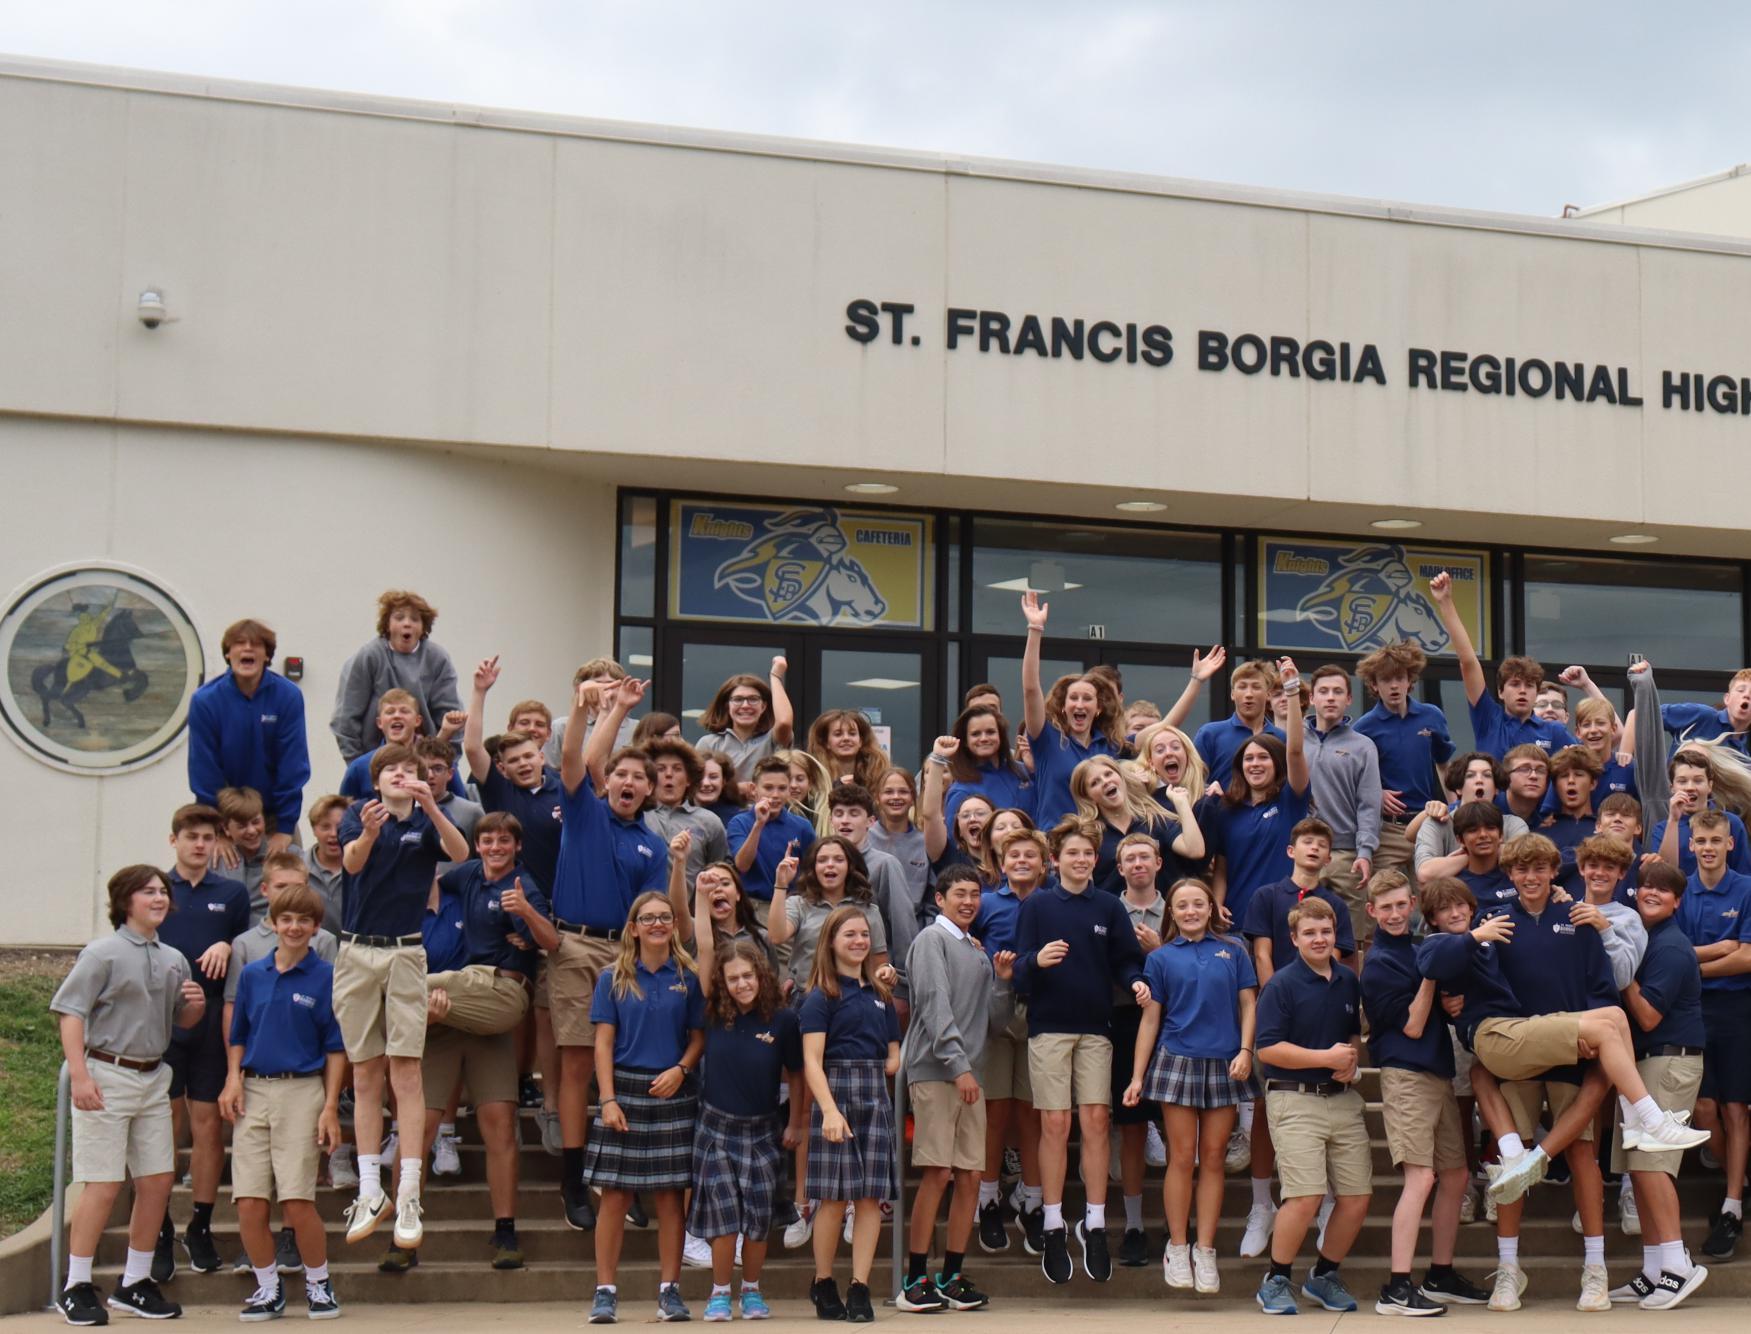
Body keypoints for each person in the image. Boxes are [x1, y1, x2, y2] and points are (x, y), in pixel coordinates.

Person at [1415, 874, 1710, 1311]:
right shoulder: (1487, 928)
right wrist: (1453, 1000)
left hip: (1570, 1048)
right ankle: (1509, 1269)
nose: (1531, 876)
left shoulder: (1576, 918)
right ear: (1511, 875)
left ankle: (1597, 1268)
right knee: (1506, 1142)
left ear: (1554, 871)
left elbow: (1603, 985)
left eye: (1540, 868)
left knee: (1584, 1151)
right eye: (1522, 869)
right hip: (1517, 1045)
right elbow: (1446, 970)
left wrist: (1585, 1030)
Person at [53, 865, 205, 1324]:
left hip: (154, 1076)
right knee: (102, 1184)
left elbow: (181, 1020)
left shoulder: (174, 958)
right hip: (107, 1073)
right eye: (147, 892)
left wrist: (195, 1008)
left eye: (162, 891)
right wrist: (80, 1076)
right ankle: (76, 1285)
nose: (159, 898)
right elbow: (70, 1013)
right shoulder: (101, 953)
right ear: (125, 901)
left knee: (157, 1181)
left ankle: (135, 1282)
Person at [334, 742, 469, 1251]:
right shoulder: (359, 814)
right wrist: (369, 833)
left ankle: (408, 1191)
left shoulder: (428, 821)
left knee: (406, 1072)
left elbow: (461, 853)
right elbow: (351, 864)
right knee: (365, 1072)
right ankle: (371, 1189)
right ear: (376, 780)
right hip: (356, 951)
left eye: (409, 769)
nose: (399, 774)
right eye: (390, 769)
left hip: (406, 954)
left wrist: (431, 805)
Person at [551, 676, 671, 1231]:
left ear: (649, 791)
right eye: (620, 774)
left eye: (639, 778)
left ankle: (623, 1177)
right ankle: (574, 1181)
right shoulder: (585, 810)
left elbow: (651, 911)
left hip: (625, 956)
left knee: (625, 1067)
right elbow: (577, 758)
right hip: (576, 945)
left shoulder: (653, 844)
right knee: (578, 1064)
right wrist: (609, 708)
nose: (628, 782)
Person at [1011, 818, 1149, 1286]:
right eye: (1072, 852)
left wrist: (1136, 980)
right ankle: (1053, 1223)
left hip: (1096, 1029)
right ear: (1055, 860)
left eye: (1088, 853)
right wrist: (1036, 960)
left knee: (1096, 1120)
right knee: (1054, 1123)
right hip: (1048, 1028)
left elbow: (1125, 960)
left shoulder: (1109, 906)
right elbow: (1019, 969)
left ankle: (1094, 1222)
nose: (1082, 859)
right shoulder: (1037, 905)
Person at [1360, 870, 1491, 1315]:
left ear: (1413, 904)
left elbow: (1440, 1006)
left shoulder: (1419, 947)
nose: (1396, 914)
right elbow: (1413, 1025)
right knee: (1421, 1177)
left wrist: (1448, 1003)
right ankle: (1397, 1288)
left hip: (1438, 1072)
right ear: (1371, 911)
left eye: (1402, 904)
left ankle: (1440, 1274)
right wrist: (1432, 981)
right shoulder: (1378, 963)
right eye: (1386, 907)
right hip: (1405, 1075)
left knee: (1455, 1176)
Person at [1123, 876, 1257, 1297]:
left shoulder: (1234, 949)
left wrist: (1246, 1051)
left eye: (1199, 903)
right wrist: (1137, 1076)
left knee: (1214, 1157)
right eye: (1182, 905)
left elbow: (1248, 1003)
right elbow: (1150, 1019)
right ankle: (1177, 1247)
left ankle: (1206, 1249)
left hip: (1225, 1061)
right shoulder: (1161, 958)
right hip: (1177, 1060)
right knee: (1182, 1157)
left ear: (1211, 908)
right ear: (1172, 912)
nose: (1191, 911)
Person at [219, 882, 347, 1321]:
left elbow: (336, 1047)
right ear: (272, 923)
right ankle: (267, 1287)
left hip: (302, 1091)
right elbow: (238, 1035)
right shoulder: (253, 974)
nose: (294, 927)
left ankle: (318, 1283)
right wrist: (233, 1080)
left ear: (316, 927)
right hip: (254, 1090)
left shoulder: (326, 977)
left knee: (296, 1200)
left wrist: (330, 1106)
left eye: (303, 920)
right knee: (250, 1201)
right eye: (286, 919)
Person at [684, 865, 804, 1322]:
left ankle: (751, 1290)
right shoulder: (715, 1010)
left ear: (762, 975)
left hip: (763, 1129)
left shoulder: (783, 1020)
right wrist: (700, 897)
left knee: (756, 1217)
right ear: (723, 982)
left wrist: (795, 1123)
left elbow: (797, 1075)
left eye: (748, 977)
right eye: (733, 979)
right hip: (715, 1127)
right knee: (723, 1217)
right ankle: (719, 1293)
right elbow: (706, 945)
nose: (742, 984)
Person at [897, 866, 1015, 1313]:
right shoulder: (932, 940)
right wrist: (957, 1066)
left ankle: (951, 1276)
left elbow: (993, 1023)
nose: (968, 901)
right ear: (940, 899)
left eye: (974, 894)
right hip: (938, 1072)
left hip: (971, 1076)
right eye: (959, 893)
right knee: (938, 1172)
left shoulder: (976, 951)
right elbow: (933, 1004)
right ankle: (914, 1279)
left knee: (970, 1177)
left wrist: (1002, 980)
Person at [584, 891, 706, 1325]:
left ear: (674, 925)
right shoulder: (612, 977)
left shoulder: (689, 977)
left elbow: (698, 1038)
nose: (657, 924)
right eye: (648, 918)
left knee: (672, 1198)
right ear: (633, 928)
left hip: (673, 1091)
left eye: (665, 917)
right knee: (615, 1197)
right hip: (624, 1092)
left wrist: (681, 1069)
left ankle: (670, 1292)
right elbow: (602, 1043)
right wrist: (608, 1099)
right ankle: (605, 1292)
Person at [1252, 896, 1371, 1316]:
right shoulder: (1281, 985)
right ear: (1294, 938)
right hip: (1294, 1097)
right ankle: (1276, 1279)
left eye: (1325, 931)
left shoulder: (1348, 980)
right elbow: (1267, 1049)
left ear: (1335, 933)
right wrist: (1326, 1058)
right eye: (1309, 933)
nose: (1319, 939)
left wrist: (1350, 1060)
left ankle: (1323, 1275)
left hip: (1341, 1099)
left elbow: (1352, 1034)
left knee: (1357, 1196)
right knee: (1305, 1195)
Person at [155, 803, 251, 1277]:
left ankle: (200, 1225)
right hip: (163, 1020)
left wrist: (228, 944)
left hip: (212, 1018)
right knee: (165, 1124)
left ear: (217, 843)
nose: (199, 844)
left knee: (208, 1124)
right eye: (191, 836)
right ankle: (158, 1228)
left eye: (207, 838)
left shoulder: (232, 893)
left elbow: (250, 945)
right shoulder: (156, 889)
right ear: (174, 840)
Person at [1612, 859, 1711, 1309]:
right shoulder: (1646, 938)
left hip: (1670, 1061)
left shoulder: (1671, 946)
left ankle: (1678, 1266)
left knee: (1653, 1165)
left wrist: (1624, 973)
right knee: (1639, 1168)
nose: (1651, 893)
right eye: (1646, 886)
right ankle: (1654, 1270)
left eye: (1663, 890)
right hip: (1646, 1063)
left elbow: (1649, 1015)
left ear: (1677, 901)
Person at [800, 905, 902, 1323]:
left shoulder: (880, 995)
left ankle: (860, 1286)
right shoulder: (820, 997)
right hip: (836, 1092)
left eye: (864, 934)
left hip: (874, 1095)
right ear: (831, 942)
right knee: (833, 1197)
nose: (859, 941)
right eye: (850, 935)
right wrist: (829, 1110)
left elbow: (893, 1054)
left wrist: (887, 1062)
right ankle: (823, 1281)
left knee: (869, 1197)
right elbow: (811, 1060)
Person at [1675, 808, 1751, 1262]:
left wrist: (1697, 964)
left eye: (1715, 840)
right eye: (1701, 841)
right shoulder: (1681, 890)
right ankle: (1739, 1178)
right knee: (1704, 1108)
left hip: (1738, 1009)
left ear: (1730, 844)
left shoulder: (1747, 888)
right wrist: (1724, 947)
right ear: (1690, 845)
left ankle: (1732, 1206)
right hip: (1692, 1010)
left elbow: (1748, 958)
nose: (1708, 848)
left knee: (1736, 1107)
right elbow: (1674, 953)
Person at [973, 829, 1050, 1258]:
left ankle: (1033, 1201)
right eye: (1014, 855)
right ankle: (987, 1198)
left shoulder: (1053, 902)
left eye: (1030, 855)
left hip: (1042, 1014)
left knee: (1032, 1112)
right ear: (1002, 864)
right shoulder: (987, 903)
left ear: (1044, 864)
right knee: (996, 1110)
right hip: (997, 1011)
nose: (1022, 861)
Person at [187, 618, 308, 859]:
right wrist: (217, 829)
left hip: (275, 819)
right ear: (228, 653)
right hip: (225, 822)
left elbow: (293, 766)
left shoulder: (288, 696)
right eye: (239, 643)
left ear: (267, 655)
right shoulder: (205, 701)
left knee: (291, 877)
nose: (247, 649)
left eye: (256, 644)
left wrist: (285, 829)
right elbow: (204, 771)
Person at [1206, 657, 1310, 933]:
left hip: (1284, 923)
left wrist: (1291, 690)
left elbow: (1295, 751)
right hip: (1237, 923)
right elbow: (1221, 867)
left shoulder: (1290, 800)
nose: (1255, 764)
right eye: (1248, 759)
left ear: (1277, 763)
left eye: (1263, 757)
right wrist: (1216, 904)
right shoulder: (1228, 810)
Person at [1429, 570, 1575, 759]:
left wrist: (1587, 684)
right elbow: (1468, 663)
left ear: (1536, 692)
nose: (1522, 691)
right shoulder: (1489, 719)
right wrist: (1445, 602)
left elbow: (1593, 757)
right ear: (1500, 691)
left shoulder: (1554, 731)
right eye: (1515, 684)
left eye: (1529, 685)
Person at [1107, 835, 1168, 1266]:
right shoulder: (1110, 910)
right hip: (1125, 1019)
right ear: (1120, 867)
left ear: (1159, 862)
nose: (1138, 863)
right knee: (1131, 1127)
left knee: (1177, 1127)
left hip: (1175, 1024)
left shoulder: (1179, 907)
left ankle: (1178, 1223)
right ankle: (1133, 1226)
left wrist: (1159, 951)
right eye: (1130, 858)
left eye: (1145, 856)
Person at [1020, 591, 1122, 828]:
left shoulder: (1110, 745)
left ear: (1098, 708)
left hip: (1099, 843)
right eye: (1073, 698)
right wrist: (1035, 629)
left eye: (1087, 699)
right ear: (1063, 707)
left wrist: (1195, 681)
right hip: (1055, 842)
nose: (1079, 704)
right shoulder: (1048, 740)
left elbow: (1162, 729)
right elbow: (1030, 690)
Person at [1355, 640, 1453, 878]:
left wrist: (1455, 808)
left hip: (1427, 822)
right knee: (1386, 894)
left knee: (1434, 895)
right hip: (1388, 828)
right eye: (1386, 679)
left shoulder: (1432, 716)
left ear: (1410, 681)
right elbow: (1352, 778)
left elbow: (1444, 764)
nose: (1394, 686)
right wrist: (1376, 793)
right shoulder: (1364, 727)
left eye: (1400, 678)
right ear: (1374, 685)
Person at [1301, 665, 1383, 949]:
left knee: (1351, 942)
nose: (1330, 698)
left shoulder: (1363, 746)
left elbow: (1369, 804)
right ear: (1311, 698)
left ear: (1349, 699)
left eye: (1337, 692)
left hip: (1347, 855)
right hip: (1303, 852)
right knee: (1304, 934)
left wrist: (1365, 852)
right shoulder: (1293, 740)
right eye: (1323, 691)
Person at [330, 589, 461, 761]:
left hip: (426, 760)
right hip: (374, 759)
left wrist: (446, 761)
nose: (407, 624)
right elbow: (345, 718)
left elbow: (451, 715)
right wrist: (356, 762)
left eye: (415, 619)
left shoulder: (437, 659)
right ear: (387, 625)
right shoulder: (370, 656)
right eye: (399, 618)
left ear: (423, 627)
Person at [1242, 818, 1356, 987]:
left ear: (1328, 859)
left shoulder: (1336, 905)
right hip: (1277, 992)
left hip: (1320, 993)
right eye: (1307, 842)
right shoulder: (1266, 896)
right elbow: (1262, 955)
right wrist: (1273, 995)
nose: (1314, 847)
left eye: (1322, 845)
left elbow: (1332, 957)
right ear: (1291, 851)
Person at [1069, 755, 1197, 896]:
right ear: (1087, 797)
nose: (1105, 782)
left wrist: (1182, 803)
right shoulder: (1089, 835)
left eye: (1108, 774)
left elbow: (1194, 850)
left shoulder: (1152, 819)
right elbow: (1083, 888)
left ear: (1121, 778)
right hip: (1112, 909)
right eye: (1095, 783)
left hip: (1162, 907)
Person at [1412, 753, 1530, 883]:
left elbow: (1524, 859)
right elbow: (1425, 873)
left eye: (1487, 775)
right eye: (1470, 775)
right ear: (1458, 788)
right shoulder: (1437, 823)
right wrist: (1476, 854)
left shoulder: (1513, 824)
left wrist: (1465, 856)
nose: (1479, 780)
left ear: (1496, 788)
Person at [1185, 653, 1285, 787]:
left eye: (1256, 687)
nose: (1248, 694)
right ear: (1232, 694)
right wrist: (1210, 792)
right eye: (1242, 687)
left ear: (1268, 694)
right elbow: (1191, 783)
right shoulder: (1210, 734)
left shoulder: (1281, 738)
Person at [643, 737, 732, 888]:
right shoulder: (636, 815)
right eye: (660, 769)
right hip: (641, 902)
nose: (669, 774)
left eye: (677, 769)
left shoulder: (710, 822)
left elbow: (720, 873)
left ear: (689, 779)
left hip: (693, 903)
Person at [696, 660, 796, 792]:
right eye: (738, 699)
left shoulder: (772, 740)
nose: (745, 705)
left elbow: (784, 722)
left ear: (763, 706)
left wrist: (775, 676)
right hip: (721, 806)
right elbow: (697, 784)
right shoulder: (709, 743)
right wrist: (737, 789)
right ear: (727, 706)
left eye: (753, 699)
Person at [1651, 746, 1751, 877]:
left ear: (1710, 785)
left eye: (1698, 781)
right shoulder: (1662, 829)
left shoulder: (1731, 822)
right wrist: (1673, 820)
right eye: (1682, 781)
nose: (1690, 787)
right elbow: (1665, 876)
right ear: (1672, 788)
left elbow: (1744, 875)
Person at [727, 757, 818, 901]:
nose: (775, 795)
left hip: (791, 903)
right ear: (754, 789)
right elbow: (742, 865)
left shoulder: (802, 826)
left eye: (782, 788)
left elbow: (813, 869)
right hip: (753, 904)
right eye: (768, 788)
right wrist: (758, 824)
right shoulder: (739, 822)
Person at [942, 704, 1035, 832]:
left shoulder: (1023, 771)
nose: (984, 738)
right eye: (975, 734)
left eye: (990, 732)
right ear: (965, 742)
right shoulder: (961, 790)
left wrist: (1034, 771)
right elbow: (956, 840)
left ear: (1000, 735)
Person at [868, 767, 932, 909]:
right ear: (877, 798)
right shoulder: (865, 839)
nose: (896, 797)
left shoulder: (925, 842)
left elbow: (931, 896)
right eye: (888, 792)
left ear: (913, 798)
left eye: (903, 791)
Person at [216, 785, 270, 920]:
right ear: (226, 829)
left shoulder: (287, 855)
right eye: (242, 826)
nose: (251, 831)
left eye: (256, 822)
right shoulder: (215, 861)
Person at [807, 708, 889, 793]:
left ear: (861, 741)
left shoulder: (878, 775)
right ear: (826, 742)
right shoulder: (814, 776)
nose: (846, 738)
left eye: (852, 734)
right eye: (838, 734)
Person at [303, 795, 349, 927]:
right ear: (314, 830)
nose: (333, 834)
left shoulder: (365, 869)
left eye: (340, 826)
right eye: (325, 827)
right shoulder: (298, 868)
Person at [695, 747, 749, 827]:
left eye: (713, 777)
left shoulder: (741, 819)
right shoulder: (679, 814)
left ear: (724, 781)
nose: (706, 783)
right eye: (699, 777)